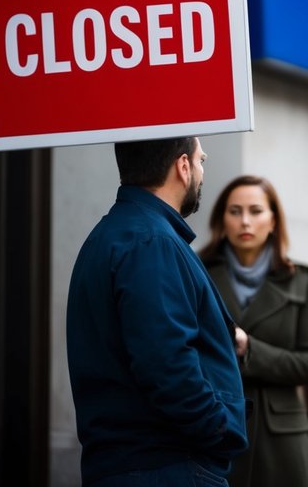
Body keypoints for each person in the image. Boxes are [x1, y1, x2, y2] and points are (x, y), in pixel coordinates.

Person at [66, 137, 248, 486]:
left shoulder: (118, 234)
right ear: (182, 167)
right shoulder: (151, 242)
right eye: (200, 160)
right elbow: (167, 366)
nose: (201, 169)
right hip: (168, 467)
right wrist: (220, 429)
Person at [198, 174, 308, 487]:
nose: (245, 221)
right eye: (235, 211)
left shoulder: (305, 281)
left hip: (282, 438)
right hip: (213, 426)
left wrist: (249, 349)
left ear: (273, 221)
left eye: (256, 211)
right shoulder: (197, 273)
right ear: (221, 220)